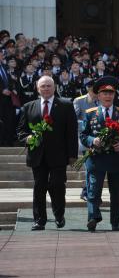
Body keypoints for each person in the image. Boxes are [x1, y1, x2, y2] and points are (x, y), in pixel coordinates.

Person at [17, 76, 78, 230]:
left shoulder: (65, 105)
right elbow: (21, 131)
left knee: (57, 185)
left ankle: (59, 215)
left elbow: (71, 132)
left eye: (49, 86)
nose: (46, 88)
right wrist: (27, 138)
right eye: (43, 86)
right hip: (37, 155)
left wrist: (72, 155)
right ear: (38, 89)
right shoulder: (28, 106)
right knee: (39, 187)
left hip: (59, 155)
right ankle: (39, 220)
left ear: (54, 87)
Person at [80, 76, 119, 232]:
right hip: (96, 158)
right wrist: (92, 140)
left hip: (116, 159)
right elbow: (83, 135)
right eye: (104, 93)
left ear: (114, 95)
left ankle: (115, 222)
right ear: (98, 95)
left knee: (115, 193)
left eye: (110, 93)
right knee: (93, 190)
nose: (108, 96)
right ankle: (93, 218)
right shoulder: (90, 114)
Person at [73, 80, 98, 202]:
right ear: (89, 89)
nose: (96, 92)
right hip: (85, 138)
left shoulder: (101, 100)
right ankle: (88, 192)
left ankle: (91, 191)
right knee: (90, 166)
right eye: (94, 89)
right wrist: (86, 124)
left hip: (99, 139)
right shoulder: (79, 101)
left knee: (96, 168)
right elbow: (73, 119)